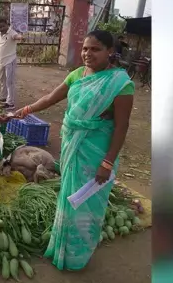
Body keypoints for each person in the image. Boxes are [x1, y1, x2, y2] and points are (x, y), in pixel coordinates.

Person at [14, 30, 135, 271]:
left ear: (110, 51)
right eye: (85, 49)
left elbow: (121, 127)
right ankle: (61, 249)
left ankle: (77, 256)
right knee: (68, 198)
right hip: (73, 146)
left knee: (88, 204)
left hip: (96, 151)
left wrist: (108, 163)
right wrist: (26, 109)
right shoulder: (77, 75)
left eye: (95, 49)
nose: (88, 54)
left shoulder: (121, 84)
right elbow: (50, 98)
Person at [0, 17, 25, 110]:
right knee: (2, 80)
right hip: (2, 62)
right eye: (0, 27)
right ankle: (3, 97)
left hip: (10, 61)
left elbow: (17, 36)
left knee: (9, 82)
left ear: (7, 24)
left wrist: (21, 38)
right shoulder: (0, 34)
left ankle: (10, 103)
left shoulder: (12, 32)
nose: (2, 28)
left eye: (4, 26)